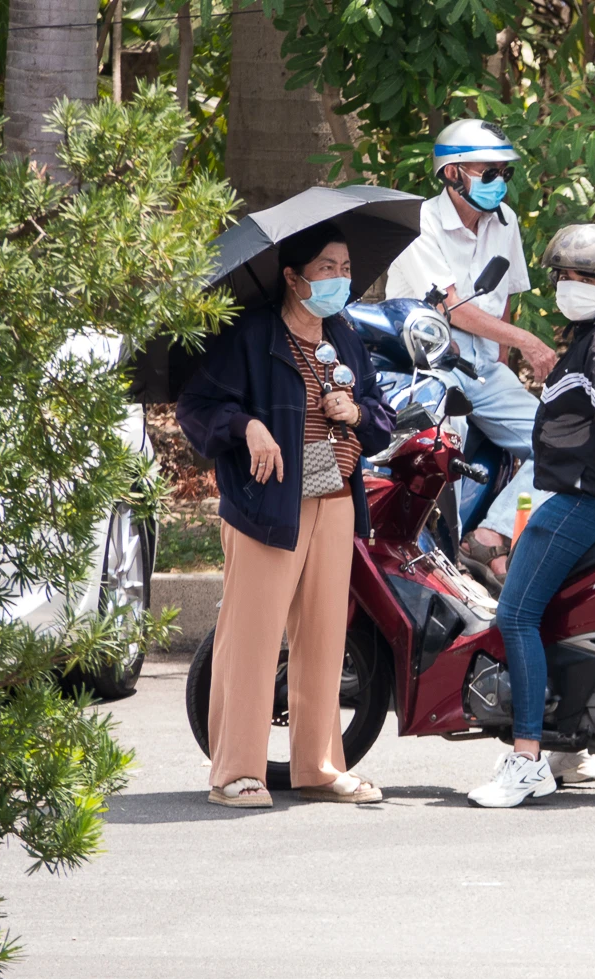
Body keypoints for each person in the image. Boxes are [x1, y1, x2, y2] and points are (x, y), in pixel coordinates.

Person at [179, 222, 396, 808]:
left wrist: (354, 412)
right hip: (267, 504)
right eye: (328, 268)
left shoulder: (344, 337)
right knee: (252, 636)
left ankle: (318, 767)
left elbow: (381, 417)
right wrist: (248, 426)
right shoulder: (250, 334)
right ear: (293, 277)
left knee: (325, 635)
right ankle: (236, 773)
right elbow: (198, 407)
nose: (341, 278)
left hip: (334, 499)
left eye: (346, 268)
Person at [468, 223, 595, 809]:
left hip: (590, 500)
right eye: (565, 277)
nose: (571, 287)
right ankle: (569, 748)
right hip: (592, 494)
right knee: (556, 611)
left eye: (586, 278)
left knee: (517, 614)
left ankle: (525, 758)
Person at [384, 119, 556, 581]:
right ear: (452, 173)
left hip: (482, 369)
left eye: (504, 172)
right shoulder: (419, 223)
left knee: (560, 440)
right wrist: (527, 344)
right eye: (488, 172)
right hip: (426, 369)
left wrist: (501, 363)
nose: (499, 182)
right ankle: (438, 560)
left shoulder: (507, 223)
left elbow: (507, 299)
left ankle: (488, 537)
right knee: (447, 446)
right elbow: (453, 306)